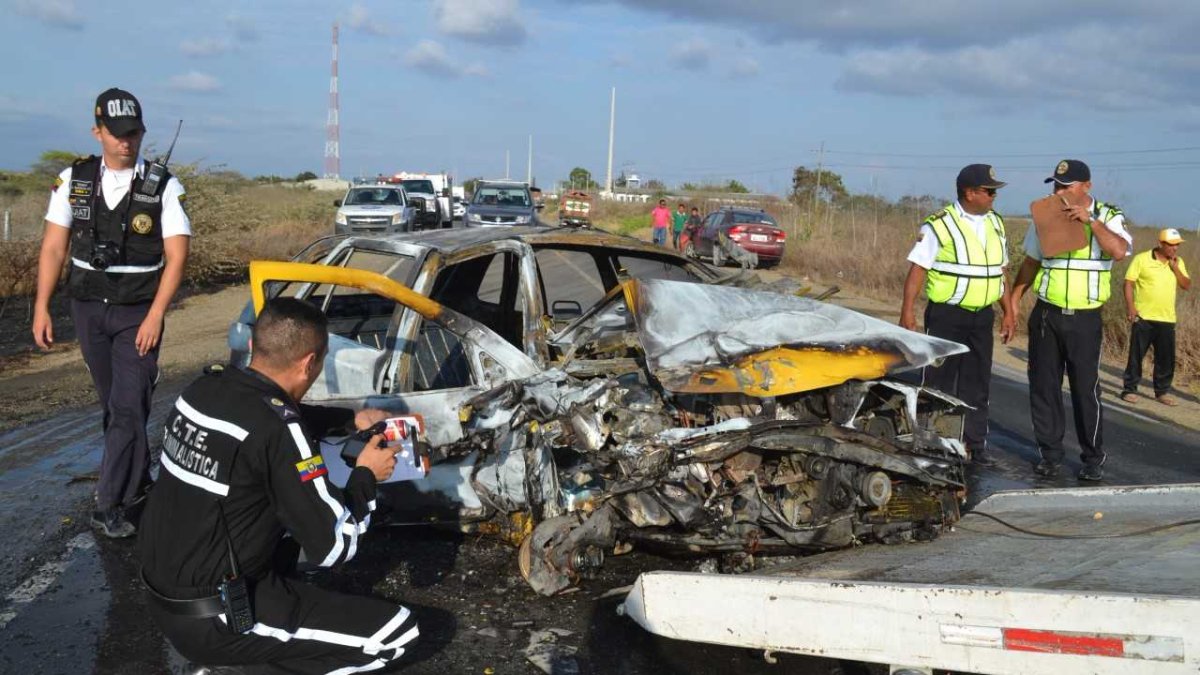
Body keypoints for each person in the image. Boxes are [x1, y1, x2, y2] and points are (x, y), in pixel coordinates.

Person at [139, 298, 418, 673]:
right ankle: (230, 665)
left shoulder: (201, 391)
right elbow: (337, 545)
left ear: (255, 346)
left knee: (286, 523)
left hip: (161, 594)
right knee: (395, 635)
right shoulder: (280, 428)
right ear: (309, 363)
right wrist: (367, 475)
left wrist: (350, 418)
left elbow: (266, 418)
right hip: (218, 617)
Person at [32, 88, 191, 538]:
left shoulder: (164, 185)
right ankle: (137, 479)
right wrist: (41, 306)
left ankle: (109, 504)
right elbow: (53, 247)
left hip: (137, 312)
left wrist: (157, 314)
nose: (127, 142)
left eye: (135, 134)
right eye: (118, 134)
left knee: (126, 405)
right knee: (115, 405)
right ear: (97, 132)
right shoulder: (74, 179)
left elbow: (176, 257)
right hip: (88, 309)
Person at [1002, 159, 1132, 481]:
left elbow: (1118, 251)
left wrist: (1092, 223)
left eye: (1067, 185)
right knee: (1044, 388)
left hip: (1085, 319)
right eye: (1056, 185)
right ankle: (1050, 455)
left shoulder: (1109, 216)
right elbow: (1031, 263)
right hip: (1047, 314)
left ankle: (1092, 458)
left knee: (1085, 390)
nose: (1059, 191)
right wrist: (1014, 303)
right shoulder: (1045, 216)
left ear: (1086, 186)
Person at [900, 164, 1010, 466]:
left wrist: (1010, 311)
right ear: (969, 192)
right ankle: (931, 443)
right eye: (988, 191)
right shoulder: (939, 225)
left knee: (977, 383)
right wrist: (907, 311)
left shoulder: (996, 224)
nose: (993, 197)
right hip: (947, 316)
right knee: (939, 381)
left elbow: (999, 272)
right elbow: (918, 268)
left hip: (981, 316)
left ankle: (974, 445)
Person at [1120, 228, 1191, 406]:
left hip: (1167, 318)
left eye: (1177, 245)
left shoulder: (1177, 262)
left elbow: (1186, 285)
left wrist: (1175, 269)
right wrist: (1131, 307)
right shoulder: (1142, 259)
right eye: (1171, 245)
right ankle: (1129, 389)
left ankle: (1162, 392)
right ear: (1161, 244)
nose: (1175, 248)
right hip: (1144, 317)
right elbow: (1128, 283)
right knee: (1136, 356)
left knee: (1165, 358)